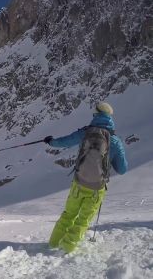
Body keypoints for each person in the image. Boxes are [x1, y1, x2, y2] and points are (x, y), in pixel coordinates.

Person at [44, 102, 127, 253]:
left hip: (78, 182)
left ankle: (53, 244)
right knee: (83, 220)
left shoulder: (85, 133)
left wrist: (50, 141)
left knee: (68, 214)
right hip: (97, 188)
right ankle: (67, 249)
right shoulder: (114, 141)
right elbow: (122, 169)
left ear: (96, 114)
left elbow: (64, 142)